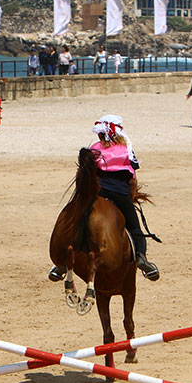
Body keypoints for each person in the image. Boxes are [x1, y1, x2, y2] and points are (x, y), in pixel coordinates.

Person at [48, 115, 160, 282]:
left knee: (76, 221)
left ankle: (62, 263)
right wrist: (130, 196)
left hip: (98, 194)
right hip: (120, 194)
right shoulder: (125, 149)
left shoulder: (94, 149)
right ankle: (142, 259)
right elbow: (133, 179)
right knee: (134, 226)